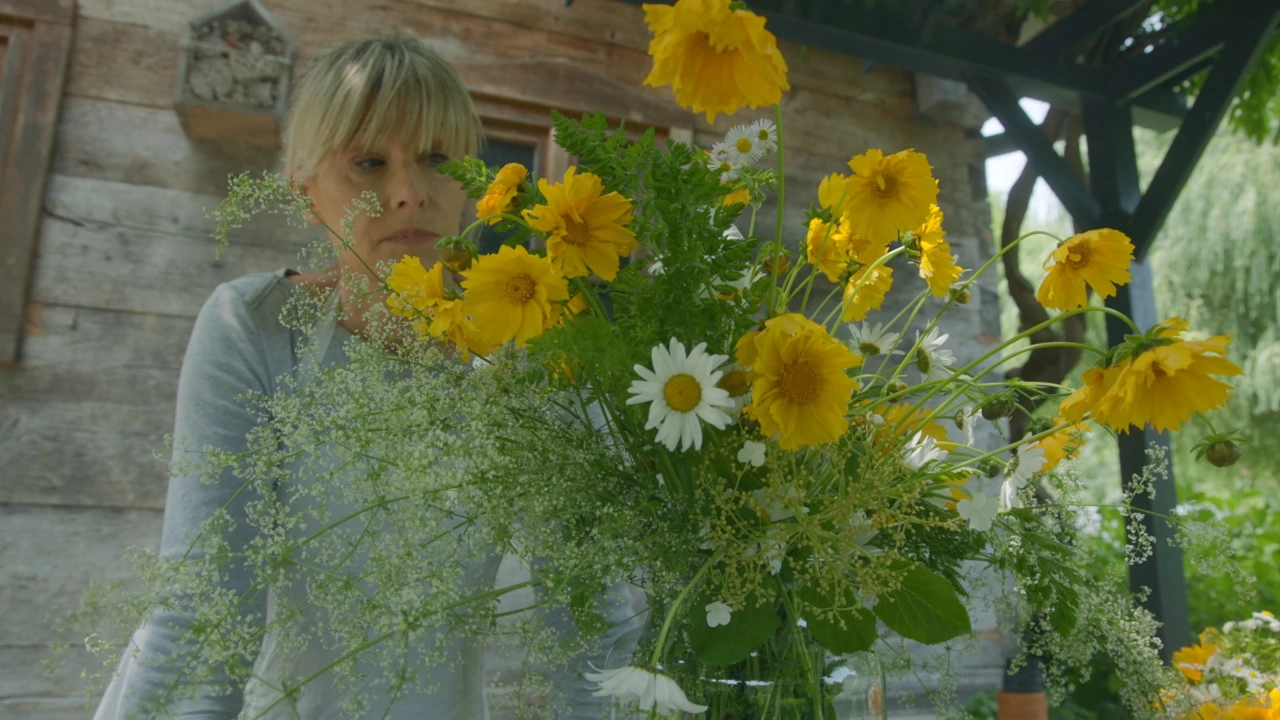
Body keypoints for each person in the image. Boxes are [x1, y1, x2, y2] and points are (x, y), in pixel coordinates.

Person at [93, 33, 638, 720]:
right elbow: (203, 616)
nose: (409, 193)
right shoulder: (254, 329)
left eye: (438, 158)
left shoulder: (537, 353)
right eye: (369, 162)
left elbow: (593, 627)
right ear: (305, 189)